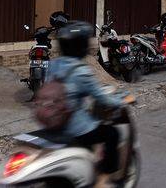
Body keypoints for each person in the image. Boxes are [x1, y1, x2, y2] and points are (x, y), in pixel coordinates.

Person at [45, 21, 126, 187]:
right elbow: (102, 98)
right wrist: (122, 100)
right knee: (112, 134)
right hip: (77, 128)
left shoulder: (53, 65)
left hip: (53, 123)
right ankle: (103, 180)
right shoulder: (81, 70)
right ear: (82, 46)